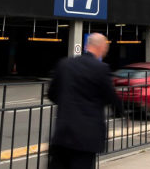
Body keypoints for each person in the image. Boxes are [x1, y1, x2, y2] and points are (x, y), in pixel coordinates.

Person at [48, 33, 119, 169]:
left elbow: (52, 94)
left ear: (87, 45)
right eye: (105, 49)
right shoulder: (101, 69)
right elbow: (111, 98)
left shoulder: (64, 64)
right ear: (101, 47)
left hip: (62, 134)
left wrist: (68, 103)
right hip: (86, 138)